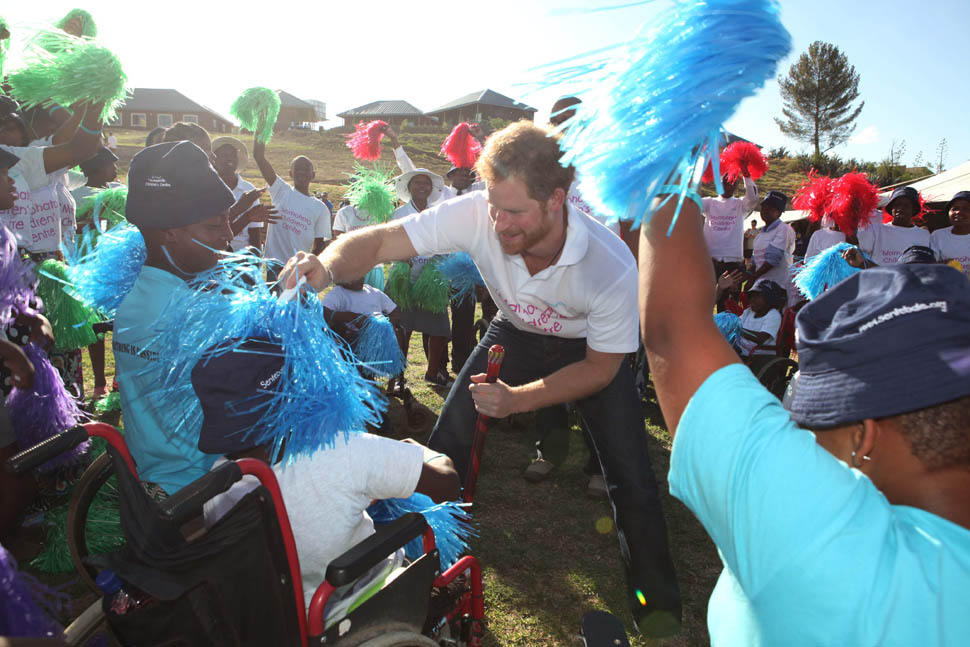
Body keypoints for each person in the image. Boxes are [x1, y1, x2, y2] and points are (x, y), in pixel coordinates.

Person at [283, 121, 682, 637]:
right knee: (446, 439)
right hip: (512, 330)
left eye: (515, 212)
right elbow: (381, 240)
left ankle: (657, 607)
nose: (499, 224)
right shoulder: (476, 212)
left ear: (557, 199)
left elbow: (601, 368)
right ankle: (430, 572)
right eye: (494, 207)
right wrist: (326, 266)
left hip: (585, 350)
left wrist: (516, 400)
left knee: (631, 476)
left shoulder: (610, 265)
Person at [639, 187, 970, 644]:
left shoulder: (816, 536)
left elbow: (673, 327)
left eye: (812, 423)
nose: (801, 433)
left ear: (862, 438)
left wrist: (664, 175)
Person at [191, 339, 458, 613]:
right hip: (361, 599)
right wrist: (419, 450)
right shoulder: (344, 451)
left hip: (281, 615)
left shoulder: (218, 484)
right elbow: (448, 484)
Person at [113, 140, 236, 495]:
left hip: (154, 478)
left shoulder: (135, 299)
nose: (228, 236)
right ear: (169, 232)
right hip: (205, 489)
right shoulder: (193, 315)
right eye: (215, 226)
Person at [389, 168, 453, 386]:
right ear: (409, 188)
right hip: (403, 280)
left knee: (439, 329)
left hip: (431, 281)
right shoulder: (398, 214)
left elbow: (446, 243)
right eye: (417, 182)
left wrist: (439, 262)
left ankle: (433, 373)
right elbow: (389, 242)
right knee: (401, 328)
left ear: (431, 188)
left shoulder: (438, 214)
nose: (422, 186)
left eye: (426, 183)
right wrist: (400, 256)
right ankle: (398, 376)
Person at [252, 135, 330, 279]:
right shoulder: (281, 191)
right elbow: (258, 156)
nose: (302, 172)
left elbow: (319, 245)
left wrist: (306, 268)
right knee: (274, 294)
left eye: (306, 169)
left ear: (313, 175)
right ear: (290, 173)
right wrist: (262, 127)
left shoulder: (321, 208)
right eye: (297, 168)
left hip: (299, 270)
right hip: (275, 267)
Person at [211, 136, 278, 253]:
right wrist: (243, 211)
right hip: (215, 255)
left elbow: (255, 233)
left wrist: (255, 259)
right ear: (214, 160)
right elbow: (214, 233)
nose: (229, 158)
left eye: (233, 155)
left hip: (243, 257)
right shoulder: (207, 188)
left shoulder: (248, 189)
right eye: (224, 155)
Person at [701, 174, 759, 277]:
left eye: (733, 183)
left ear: (737, 185)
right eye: (725, 182)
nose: (729, 186)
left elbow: (753, 198)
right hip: (710, 259)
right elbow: (691, 202)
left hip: (733, 260)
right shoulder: (709, 203)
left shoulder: (741, 204)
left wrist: (746, 175)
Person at [857, 186, 930, 265]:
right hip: (879, 273)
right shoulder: (876, 230)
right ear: (891, 209)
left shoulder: (923, 235)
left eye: (906, 205)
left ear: (914, 210)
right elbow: (857, 245)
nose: (900, 208)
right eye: (897, 205)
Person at [750, 190, 796, 304]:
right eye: (764, 207)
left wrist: (753, 278)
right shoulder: (760, 235)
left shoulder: (784, 229)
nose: (765, 211)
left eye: (771, 208)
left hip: (778, 287)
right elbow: (754, 263)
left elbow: (772, 259)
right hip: (760, 287)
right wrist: (742, 278)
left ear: (779, 213)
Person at [736, 279, 785, 373]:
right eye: (751, 296)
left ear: (769, 299)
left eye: (757, 296)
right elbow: (736, 323)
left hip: (760, 355)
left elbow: (760, 338)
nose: (752, 299)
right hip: (743, 351)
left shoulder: (773, 315)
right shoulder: (748, 312)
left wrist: (738, 329)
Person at [929, 191, 970, 278]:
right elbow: (930, 265)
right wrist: (943, 265)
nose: (958, 212)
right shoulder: (938, 236)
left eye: (966, 209)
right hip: (947, 285)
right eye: (954, 208)